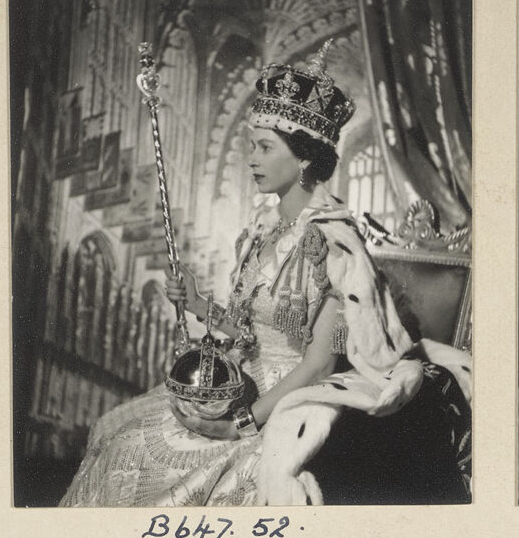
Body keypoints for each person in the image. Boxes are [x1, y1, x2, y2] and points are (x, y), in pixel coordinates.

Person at [59, 59, 471, 509]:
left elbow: (317, 366)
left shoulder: (336, 247)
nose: (252, 159)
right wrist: (200, 305)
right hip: (239, 378)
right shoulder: (261, 231)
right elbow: (249, 332)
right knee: (114, 430)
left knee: (159, 468)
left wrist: (239, 425)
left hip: (288, 398)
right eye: (251, 146)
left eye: (264, 148)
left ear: (304, 157)